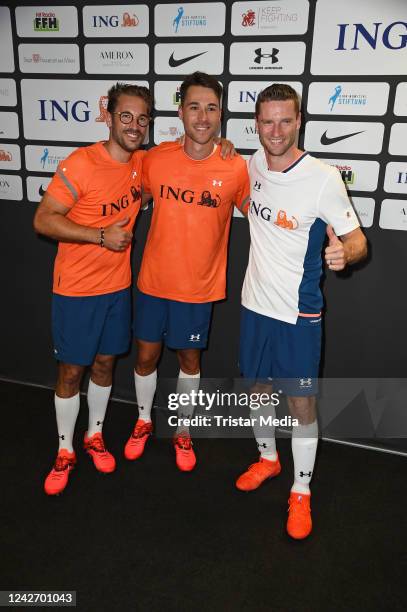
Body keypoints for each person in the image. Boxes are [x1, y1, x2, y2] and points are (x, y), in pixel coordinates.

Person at [236, 84, 367, 539]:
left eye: (285, 120)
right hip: (254, 305)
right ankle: (269, 460)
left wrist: (344, 256)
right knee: (256, 389)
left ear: (299, 122)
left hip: (298, 315)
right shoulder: (251, 162)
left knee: (300, 403)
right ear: (257, 122)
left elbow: (357, 240)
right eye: (267, 121)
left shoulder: (323, 176)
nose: (275, 131)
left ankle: (301, 489)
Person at [124, 72, 250, 471]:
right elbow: (124, 192)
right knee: (145, 358)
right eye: (194, 106)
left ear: (221, 113)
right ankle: (143, 420)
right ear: (181, 112)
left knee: (190, 361)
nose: (202, 116)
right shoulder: (155, 159)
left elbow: (264, 215)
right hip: (152, 283)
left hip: (198, 289)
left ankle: (182, 430)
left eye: (211, 108)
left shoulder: (236, 167)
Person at [33, 83, 153, 495]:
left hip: (118, 289)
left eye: (142, 119)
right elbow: (44, 219)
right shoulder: (81, 163)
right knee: (71, 371)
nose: (134, 126)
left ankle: (93, 436)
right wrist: (99, 236)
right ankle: (64, 450)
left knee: (105, 365)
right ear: (108, 117)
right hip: (77, 291)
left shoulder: (142, 164)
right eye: (126, 116)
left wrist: (223, 145)